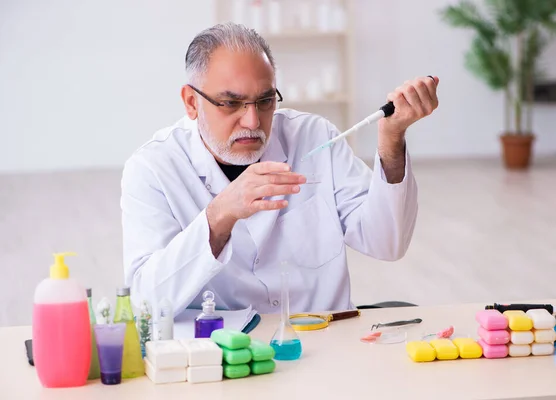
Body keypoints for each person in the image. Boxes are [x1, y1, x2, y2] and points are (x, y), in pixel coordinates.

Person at [120, 22, 439, 317]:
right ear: (191, 102)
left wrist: (392, 139)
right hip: (224, 357)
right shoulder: (153, 169)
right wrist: (219, 216)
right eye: (231, 103)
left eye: (265, 100)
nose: (252, 121)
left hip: (324, 341)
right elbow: (145, 303)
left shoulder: (315, 137)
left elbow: (387, 242)